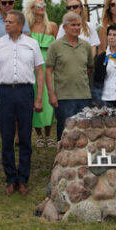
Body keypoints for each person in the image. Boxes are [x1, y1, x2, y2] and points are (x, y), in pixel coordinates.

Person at [0, 10, 44, 196]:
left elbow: (40, 71)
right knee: (7, 138)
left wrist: (38, 97)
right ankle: (10, 178)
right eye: (6, 22)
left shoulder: (32, 44)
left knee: (26, 138)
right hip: (4, 92)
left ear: (20, 25)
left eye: (11, 22)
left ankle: (23, 179)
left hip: (25, 91)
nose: (7, 24)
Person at [0, 0, 29, 148]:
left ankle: (17, 137)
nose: (7, 5)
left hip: (18, 65)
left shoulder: (22, 20)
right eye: (4, 3)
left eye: (10, 2)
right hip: (0, 65)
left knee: (17, 105)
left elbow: (27, 42)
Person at [46, 11, 94, 141]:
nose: (77, 28)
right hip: (63, 97)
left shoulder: (86, 46)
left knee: (84, 133)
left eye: (78, 25)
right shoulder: (55, 46)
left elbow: (90, 67)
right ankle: (62, 160)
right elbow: (48, 71)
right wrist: (51, 94)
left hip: (84, 96)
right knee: (65, 133)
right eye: (73, 25)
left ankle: (82, 160)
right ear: (64, 27)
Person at [25, 0, 57, 147]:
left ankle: (49, 134)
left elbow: (57, 47)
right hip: (32, 66)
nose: (42, 7)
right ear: (32, 9)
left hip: (49, 66)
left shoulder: (52, 26)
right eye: (39, 5)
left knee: (48, 98)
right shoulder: (27, 27)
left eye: (44, 4)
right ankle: (38, 135)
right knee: (35, 98)